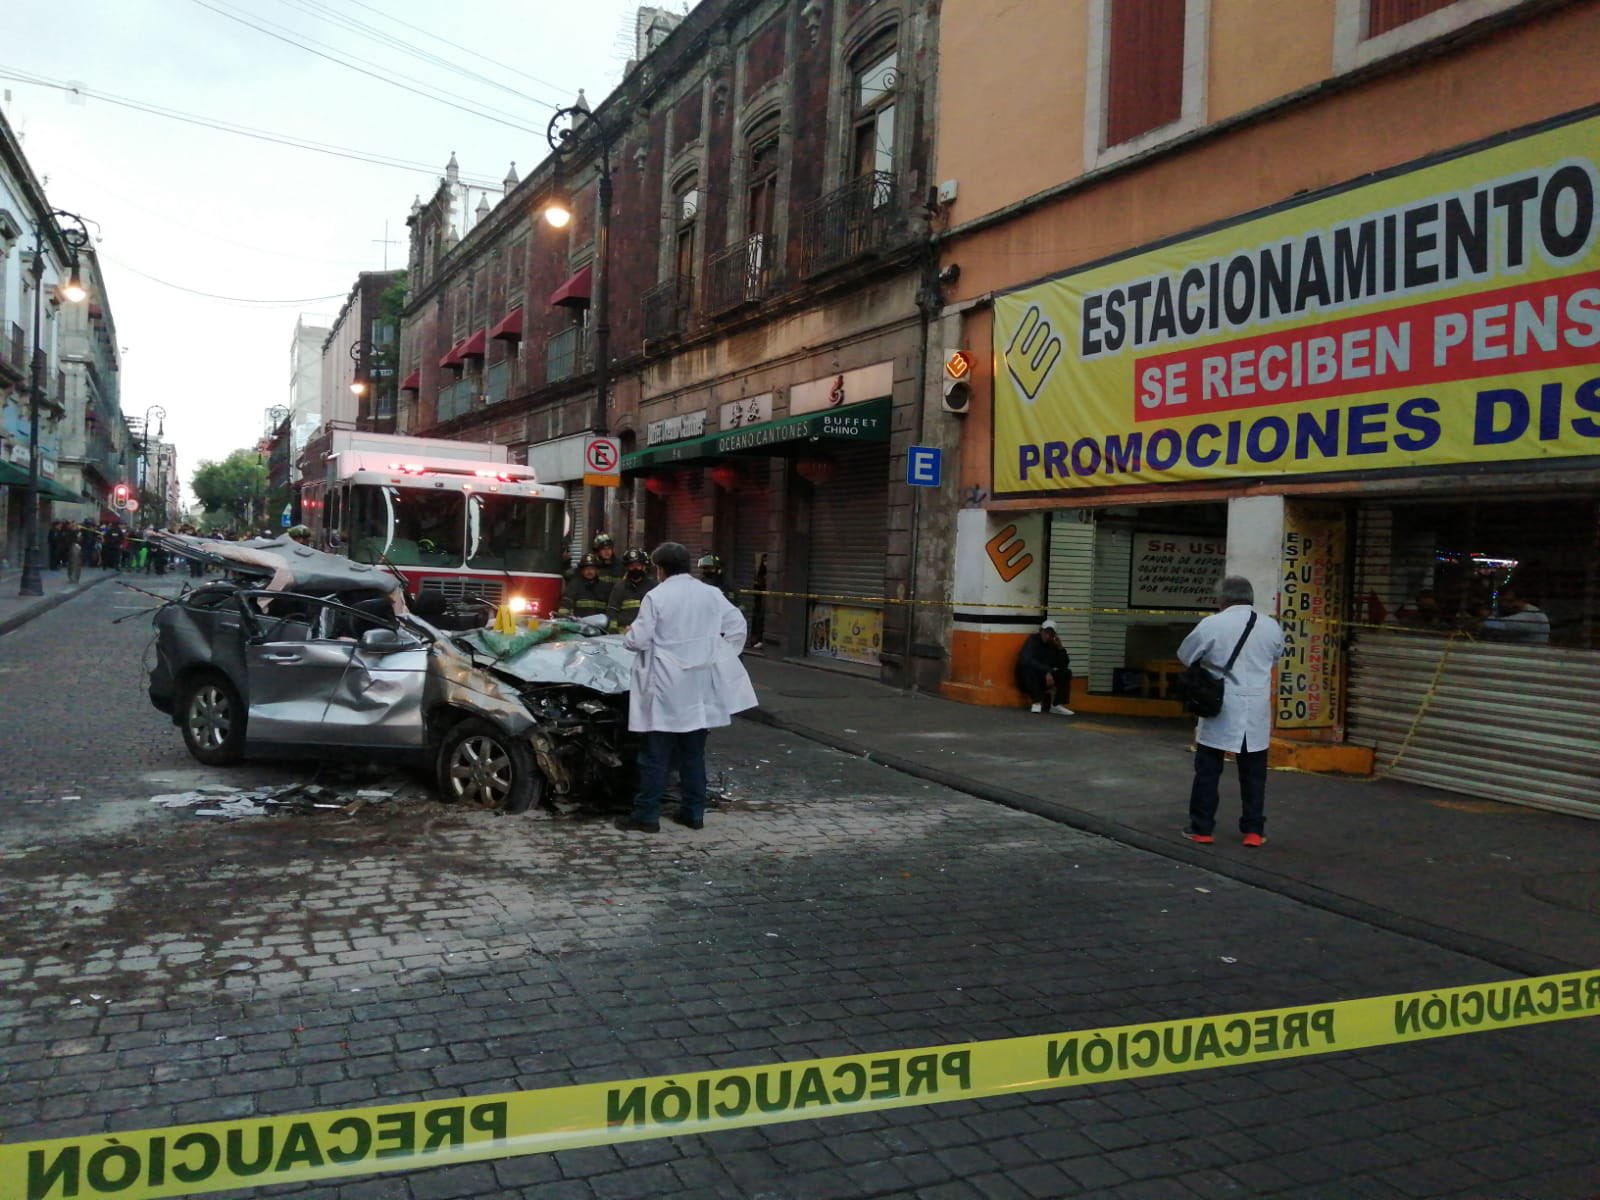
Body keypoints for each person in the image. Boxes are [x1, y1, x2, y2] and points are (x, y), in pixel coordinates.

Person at [615, 541, 757, 833]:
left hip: (664, 688)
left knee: (655, 754)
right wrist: (719, 655)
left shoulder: (657, 597)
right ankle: (693, 813)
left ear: (660, 568)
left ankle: (646, 815)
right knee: (693, 753)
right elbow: (737, 626)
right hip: (699, 687)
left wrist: (629, 636)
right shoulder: (711, 594)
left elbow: (638, 640)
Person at [1178, 575, 1286, 848]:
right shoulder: (1271, 627)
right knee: (1253, 774)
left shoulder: (1211, 624)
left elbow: (1186, 656)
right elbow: (1275, 658)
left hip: (1220, 706)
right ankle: (1253, 831)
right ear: (1250, 598)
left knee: (1208, 770)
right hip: (1256, 710)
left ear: (1222, 599)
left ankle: (1202, 828)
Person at [1014, 618, 1074, 715]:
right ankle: (1036, 701)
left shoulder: (1053, 645)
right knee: (1028, 670)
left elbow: (1064, 664)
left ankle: (1056, 704)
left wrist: (1061, 648)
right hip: (1029, 680)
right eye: (1045, 632)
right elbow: (1025, 660)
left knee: (1066, 672)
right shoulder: (1033, 641)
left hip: (1045, 679)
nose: (1047, 636)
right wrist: (1047, 671)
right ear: (1041, 631)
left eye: (1050, 633)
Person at [607, 547, 656, 631]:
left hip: (647, 633)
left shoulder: (653, 586)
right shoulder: (619, 587)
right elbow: (612, 610)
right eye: (632, 566)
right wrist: (613, 630)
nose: (635, 569)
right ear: (626, 567)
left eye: (638, 565)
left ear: (643, 566)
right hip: (623, 634)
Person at [1481, 585, 1550, 644]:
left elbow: (1492, 624)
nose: (1504, 605)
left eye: (1509, 601)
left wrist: (1484, 615)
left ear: (1521, 599)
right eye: (1502, 601)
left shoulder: (1529, 617)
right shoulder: (1532, 610)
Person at [561, 553, 612, 622]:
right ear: (582, 571)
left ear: (597, 570)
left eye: (592, 568)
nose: (589, 571)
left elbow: (611, 609)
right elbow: (565, 605)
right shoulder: (574, 585)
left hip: (600, 628)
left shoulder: (605, 587)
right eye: (586, 569)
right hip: (579, 626)